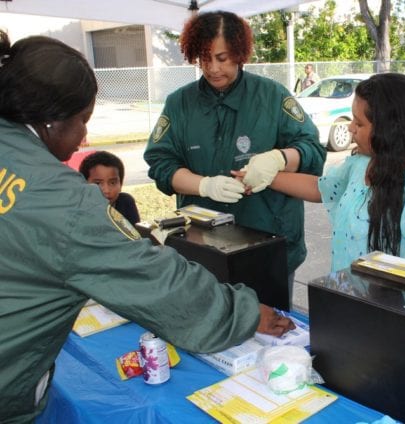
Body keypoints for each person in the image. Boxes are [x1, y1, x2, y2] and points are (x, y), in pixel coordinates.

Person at [0, 31, 294, 423]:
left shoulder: (271, 95)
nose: (85, 136)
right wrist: (243, 312)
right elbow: (154, 279)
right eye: (82, 121)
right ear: (51, 121)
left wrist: (280, 157)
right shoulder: (63, 199)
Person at [143, 11, 325, 305]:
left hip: (268, 238)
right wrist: (203, 186)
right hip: (203, 244)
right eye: (204, 59)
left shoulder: (272, 96)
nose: (213, 68)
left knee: (272, 334)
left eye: (222, 58)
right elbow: (161, 163)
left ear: (240, 54)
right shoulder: (179, 103)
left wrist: (278, 159)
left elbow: (312, 150)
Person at [263, 73, 405, 273]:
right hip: (351, 299)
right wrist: (264, 175)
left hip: (386, 307)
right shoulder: (361, 164)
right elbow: (321, 187)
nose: (350, 128)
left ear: (390, 130)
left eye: (360, 123)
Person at [79, 150, 141, 224]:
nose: (107, 190)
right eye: (98, 183)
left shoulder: (125, 202)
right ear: (84, 184)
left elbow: (136, 233)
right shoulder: (78, 210)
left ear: (121, 184)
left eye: (112, 183)